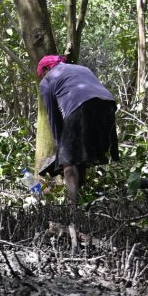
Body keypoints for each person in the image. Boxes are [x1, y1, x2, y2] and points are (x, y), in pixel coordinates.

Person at [37, 55, 119, 204]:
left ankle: (72, 207)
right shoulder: (82, 68)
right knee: (80, 154)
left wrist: (60, 148)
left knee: (68, 161)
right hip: (108, 106)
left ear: (46, 69)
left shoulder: (47, 80)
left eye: (41, 73)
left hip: (81, 106)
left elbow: (54, 117)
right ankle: (82, 198)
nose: (41, 77)